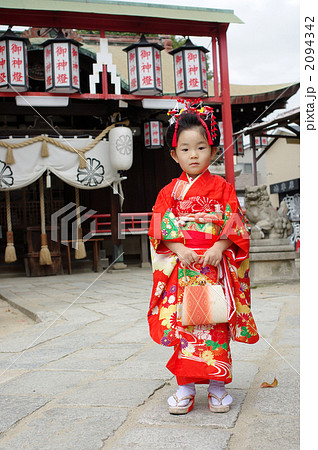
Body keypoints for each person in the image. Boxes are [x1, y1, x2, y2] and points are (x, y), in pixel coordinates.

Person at [147, 103, 259, 415]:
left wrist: (221, 245)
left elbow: (234, 221)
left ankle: (217, 387)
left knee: (215, 322)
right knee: (184, 323)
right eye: (185, 148)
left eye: (201, 147)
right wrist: (180, 249)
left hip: (214, 266)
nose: (194, 154)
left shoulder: (222, 187)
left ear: (212, 150)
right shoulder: (169, 192)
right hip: (182, 268)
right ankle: (184, 387)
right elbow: (159, 223)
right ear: (174, 154)